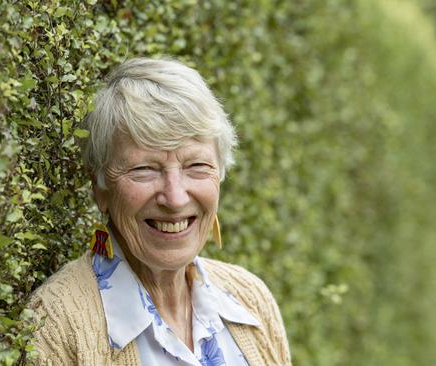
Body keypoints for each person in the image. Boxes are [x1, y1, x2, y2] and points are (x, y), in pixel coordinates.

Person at [28, 57, 291, 365]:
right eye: (145, 169)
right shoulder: (55, 326)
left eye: (196, 166)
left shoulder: (251, 300)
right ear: (100, 188)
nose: (175, 198)